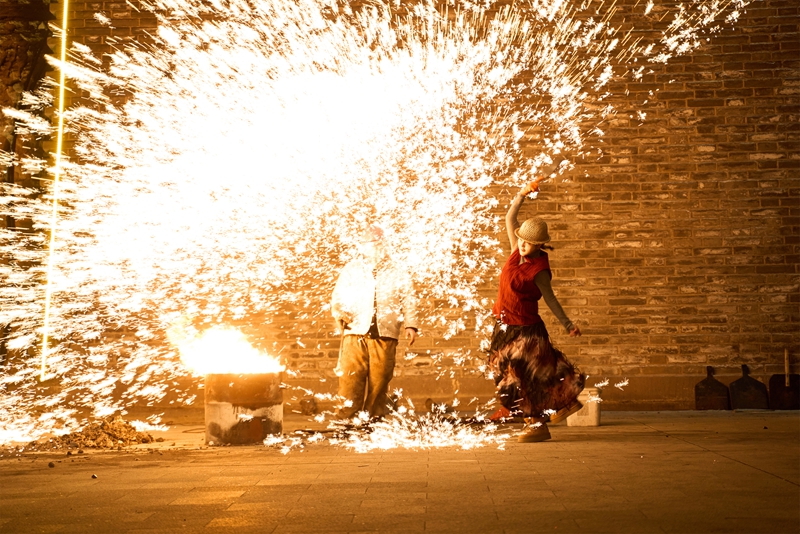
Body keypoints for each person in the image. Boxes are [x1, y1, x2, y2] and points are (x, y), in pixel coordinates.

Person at [488, 180, 585, 442]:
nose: (522, 245)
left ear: (539, 246)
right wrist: (521, 193)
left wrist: (567, 324)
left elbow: (551, 299)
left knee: (524, 377)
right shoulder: (514, 252)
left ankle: (536, 423)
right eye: (521, 240)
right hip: (504, 326)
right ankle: (527, 412)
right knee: (502, 372)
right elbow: (510, 217)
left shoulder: (539, 270)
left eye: (529, 244)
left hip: (525, 330)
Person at [331, 224, 418, 419]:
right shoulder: (352, 269)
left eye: (380, 244)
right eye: (372, 244)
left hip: (385, 333)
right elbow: (338, 296)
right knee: (351, 378)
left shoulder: (397, 270)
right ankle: (347, 418)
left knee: (380, 380)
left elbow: (409, 297)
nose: (377, 248)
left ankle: (374, 417)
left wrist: (410, 324)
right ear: (363, 246)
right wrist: (339, 311)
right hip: (355, 331)